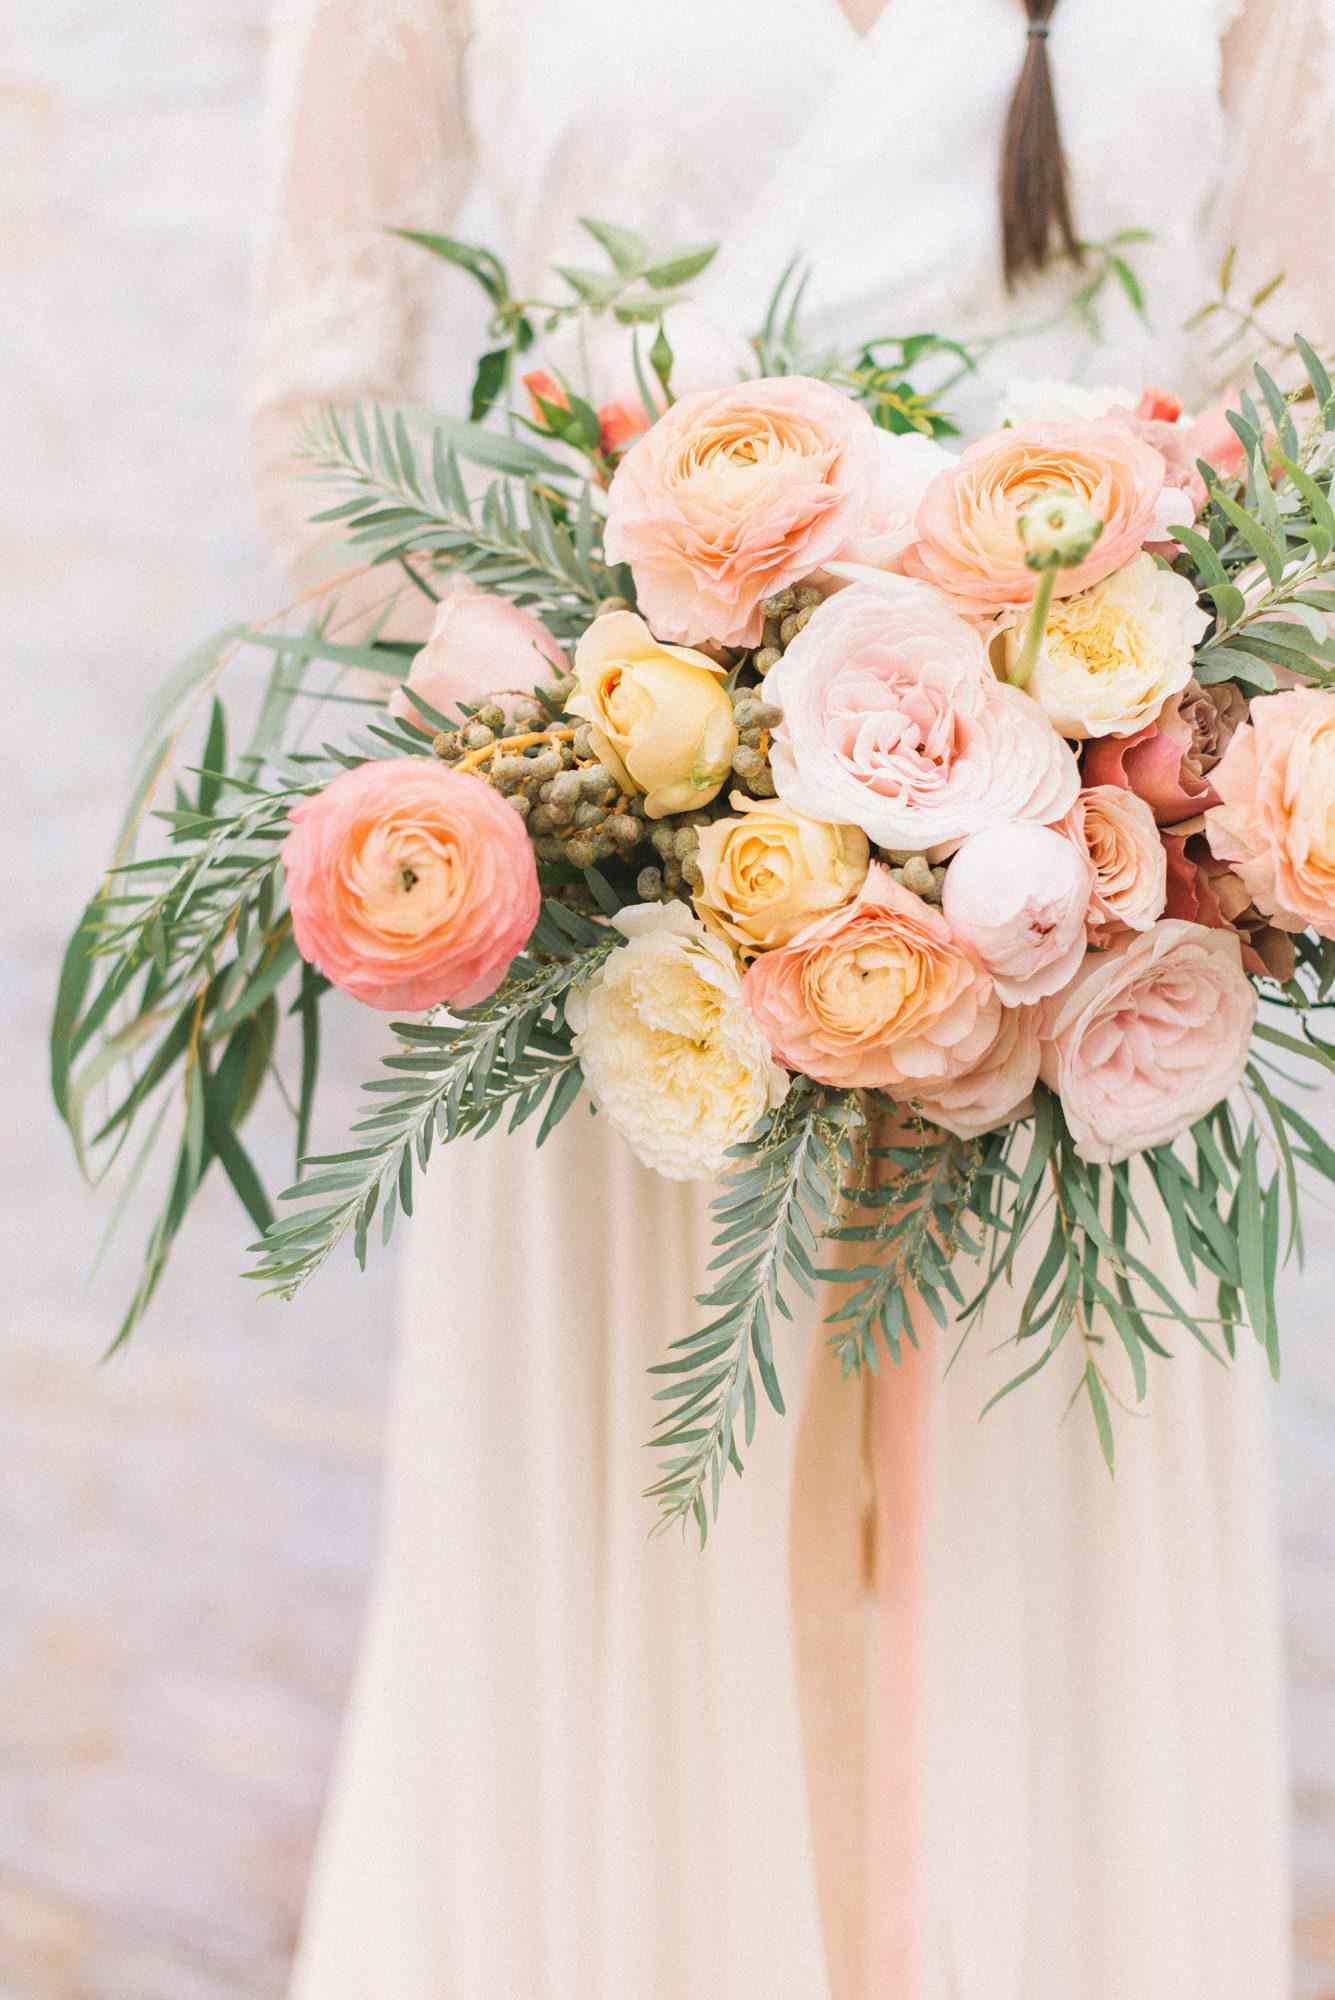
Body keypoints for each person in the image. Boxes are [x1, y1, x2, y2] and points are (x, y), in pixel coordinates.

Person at [246, 5, 1334, 1995]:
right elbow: (325, 439)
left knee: (1033, 1626)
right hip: (633, 994)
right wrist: (631, 738)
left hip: (1067, 987)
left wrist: (1091, 760)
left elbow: (1311, 423)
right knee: (628, 1611)